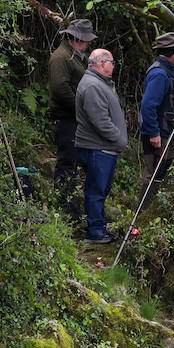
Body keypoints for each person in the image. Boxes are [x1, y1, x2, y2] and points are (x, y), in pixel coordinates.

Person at [74, 48, 127, 244]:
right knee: (96, 191)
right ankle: (95, 231)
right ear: (102, 63)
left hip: (104, 148)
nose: (114, 65)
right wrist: (119, 138)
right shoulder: (92, 85)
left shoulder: (99, 83)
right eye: (112, 62)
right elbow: (100, 121)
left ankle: (99, 227)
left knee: (100, 190)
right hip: (97, 147)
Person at [48, 18, 95, 224]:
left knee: (72, 165)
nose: (88, 45)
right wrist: (82, 108)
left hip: (74, 119)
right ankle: (66, 213)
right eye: (85, 41)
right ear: (76, 39)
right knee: (66, 166)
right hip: (67, 120)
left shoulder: (73, 56)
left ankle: (72, 212)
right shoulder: (61, 57)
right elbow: (60, 89)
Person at [139, 31, 174, 198]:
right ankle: (142, 215)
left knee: (161, 176)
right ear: (169, 51)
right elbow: (147, 106)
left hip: (167, 134)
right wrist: (154, 134)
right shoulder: (159, 74)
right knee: (154, 176)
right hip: (160, 137)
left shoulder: (167, 72)